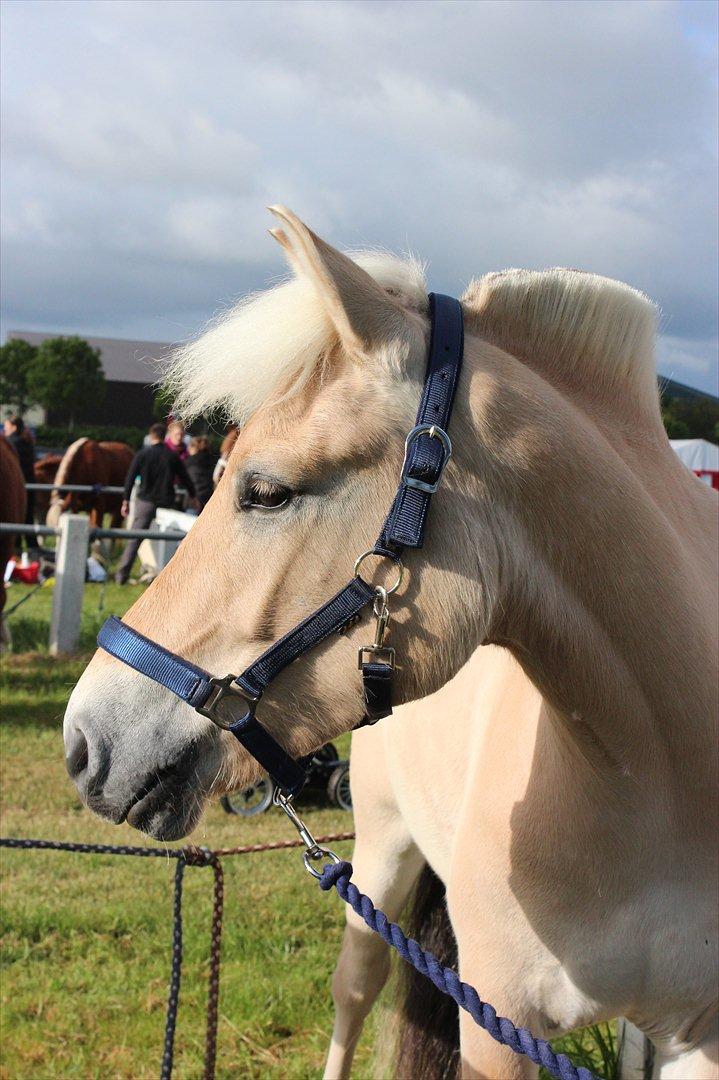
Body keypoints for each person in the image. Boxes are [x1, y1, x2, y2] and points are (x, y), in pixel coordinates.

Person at [114, 423, 197, 585]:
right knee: (170, 541)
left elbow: (130, 478)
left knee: (134, 538)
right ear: (165, 435)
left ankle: (121, 575)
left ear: (151, 436)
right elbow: (186, 479)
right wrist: (193, 497)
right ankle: (168, 578)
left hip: (145, 501)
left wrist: (125, 500)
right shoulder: (172, 456)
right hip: (167, 502)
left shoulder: (142, 454)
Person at [3, 416, 36, 537]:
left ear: (14, 427)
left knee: (13, 517)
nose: (4, 430)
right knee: (27, 517)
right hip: (30, 484)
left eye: (7, 427)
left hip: (15, 486)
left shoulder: (10, 443)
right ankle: (32, 546)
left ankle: (16, 548)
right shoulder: (28, 441)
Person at [184, 436, 216, 511]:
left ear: (193, 447)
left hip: (194, 499)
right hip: (209, 497)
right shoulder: (211, 460)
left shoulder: (190, 462)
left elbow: (191, 480)